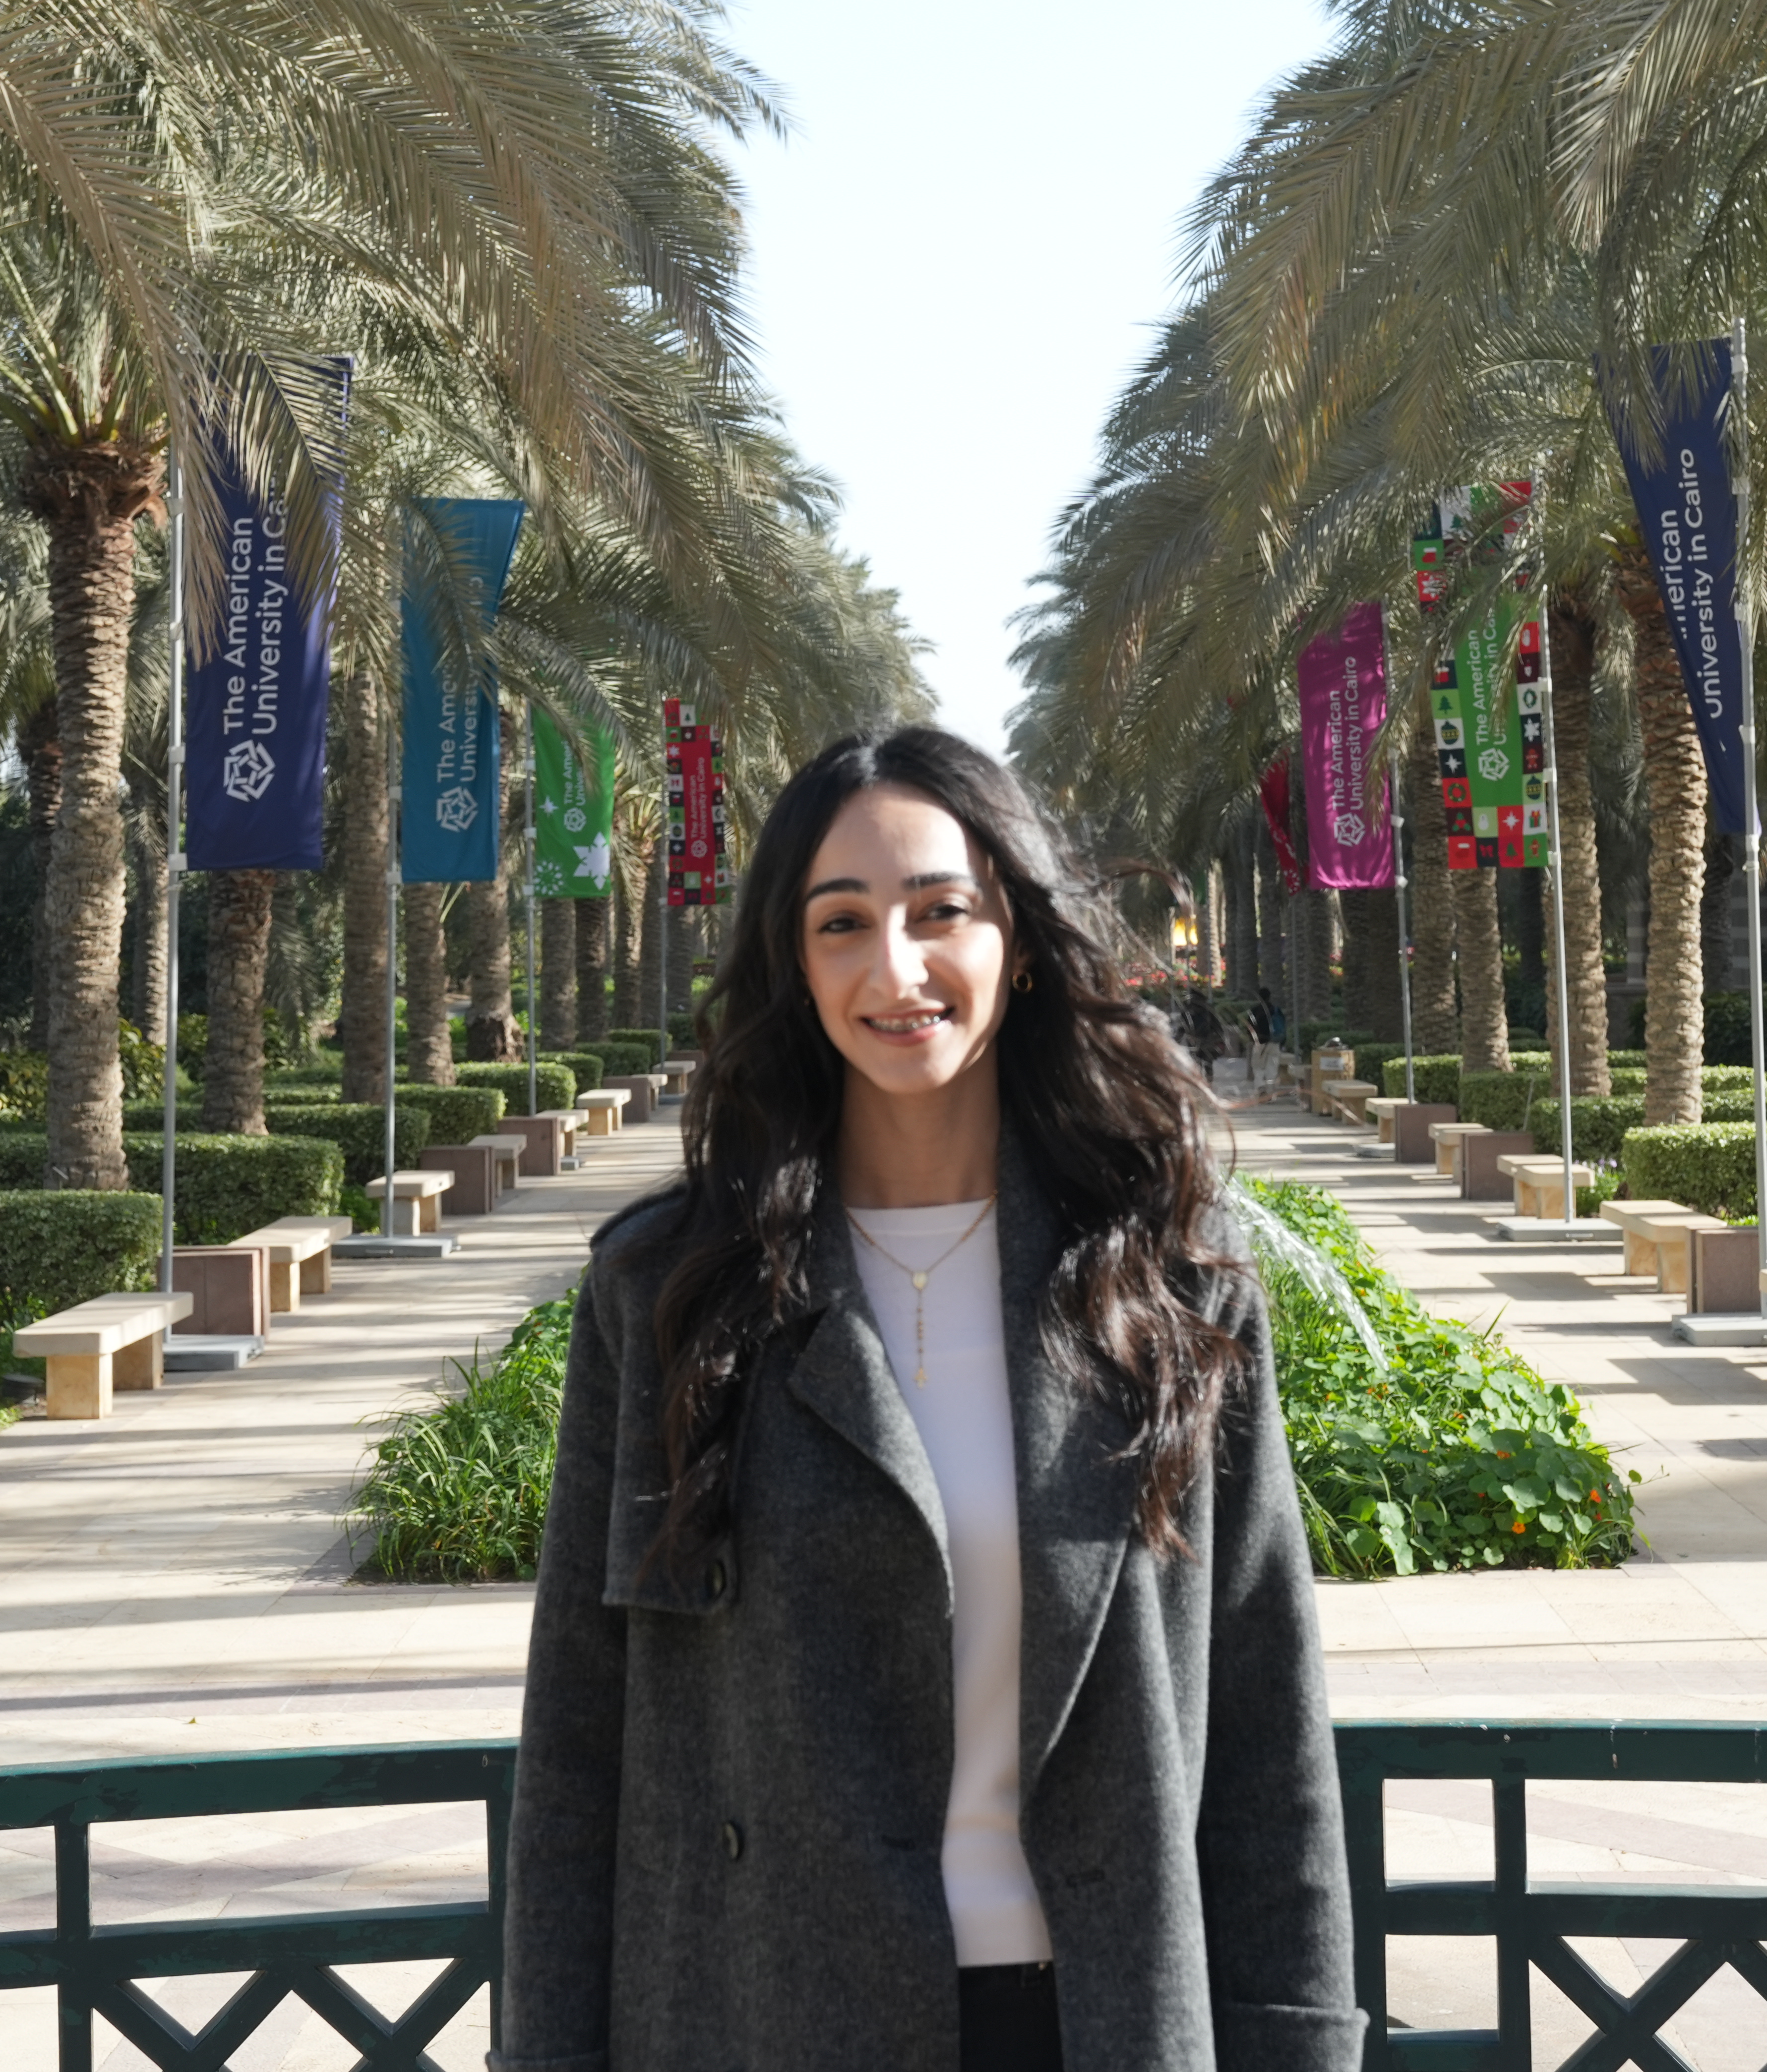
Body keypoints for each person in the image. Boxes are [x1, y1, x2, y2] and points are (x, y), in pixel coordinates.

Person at [497, 726, 1362, 2072]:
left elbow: (1265, 1737)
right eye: (842, 924)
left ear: (1015, 938)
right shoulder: (672, 1296)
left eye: (939, 913)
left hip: (1096, 2018)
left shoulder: (1165, 1295)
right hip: (762, 2010)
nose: (895, 971)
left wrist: (1301, 2047)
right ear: (794, 961)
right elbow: (576, 1749)